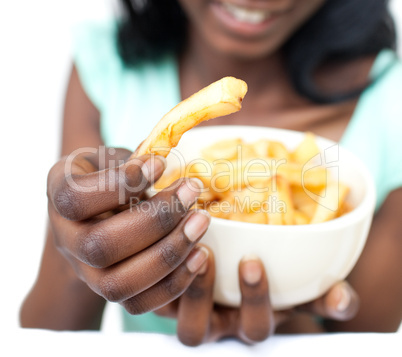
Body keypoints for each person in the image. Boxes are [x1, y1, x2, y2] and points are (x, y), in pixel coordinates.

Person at [20, 0, 402, 346]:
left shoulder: (390, 106)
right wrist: (74, 252)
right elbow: (43, 341)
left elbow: (369, 342)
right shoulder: (106, 65)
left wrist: (282, 321)